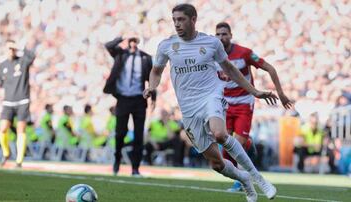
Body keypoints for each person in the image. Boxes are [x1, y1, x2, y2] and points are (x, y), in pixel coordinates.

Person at [143, 4, 277, 202]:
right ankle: (244, 179)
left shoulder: (212, 43)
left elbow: (230, 69)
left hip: (211, 95)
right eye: (174, 20)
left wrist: (254, 91)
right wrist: (152, 87)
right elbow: (156, 71)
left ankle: (259, 178)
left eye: (181, 19)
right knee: (216, 164)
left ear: (193, 19)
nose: (177, 24)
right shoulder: (166, 46)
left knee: (220, 134)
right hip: (188, 107)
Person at [215, 22, 293, 191]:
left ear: (231, 35)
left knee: (237, 144)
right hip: (224, 103)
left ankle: (241, 182)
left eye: (224, 34)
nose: (221, 38)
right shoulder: (213, 54)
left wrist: (280, 93)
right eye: (218, 35)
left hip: (244, 102)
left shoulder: (244, 53)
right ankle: (247, 149)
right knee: (225, 147)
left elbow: (270, 68)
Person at [104, 36, 154, 176]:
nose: (132, 44)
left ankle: (135, 168)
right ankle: (117, 159)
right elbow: (108, 45)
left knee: (139, 135)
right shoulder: (121, 54)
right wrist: (121, 38)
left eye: (135, 41)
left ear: (138, 43)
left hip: (139, 100)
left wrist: (153, 97)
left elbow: (152, 78)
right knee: (120, 133)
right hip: (123, 99)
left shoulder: (146, 58)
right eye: (130, 41)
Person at [0, 39, 35, 168]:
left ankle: (19, 161)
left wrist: (20, 47)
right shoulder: (3, 65)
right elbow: (0, 83)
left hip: (22, 100)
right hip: (8, 102)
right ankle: (6, 153)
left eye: (13, 48)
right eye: (9, 48)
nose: (11, 51)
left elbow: (32, 56)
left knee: (21, 130)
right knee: (2, 129)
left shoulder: (22, 61)